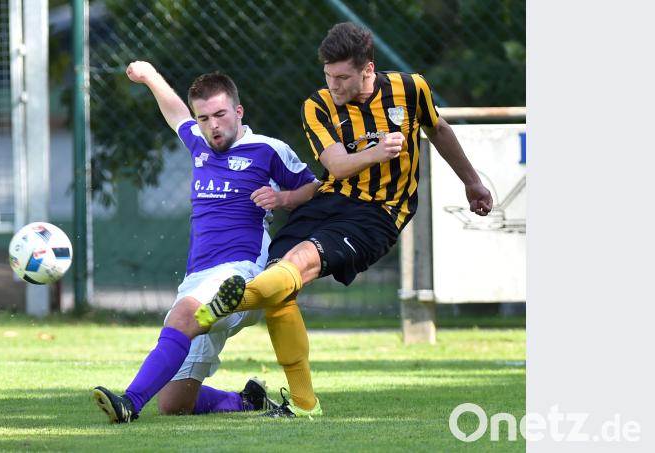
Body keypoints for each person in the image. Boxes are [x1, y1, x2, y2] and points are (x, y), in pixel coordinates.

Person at [194, 22, 494, 417]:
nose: (333, 84)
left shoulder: (411, 88)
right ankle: (304, 404)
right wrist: (378, 151)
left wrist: (472, 182)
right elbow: (335, 164)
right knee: (280, 288)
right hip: (328, 199)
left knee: (295, 264)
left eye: (342, 77)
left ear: (367, 70)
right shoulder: (316, 105)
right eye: (327, 75)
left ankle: (216, 308)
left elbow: (437, 129)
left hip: (379, 213)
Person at [92, 61, 320, 424]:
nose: (213, 125)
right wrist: (151, 77)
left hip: (242, 273)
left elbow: (312, 185)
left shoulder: (267, 150)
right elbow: (176, 114)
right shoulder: (198, 142)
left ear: (238, 111)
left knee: (184, 314)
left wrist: (284, 200)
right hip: (199, 277)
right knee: (174, 402)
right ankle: (247, 401)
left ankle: (129, 403)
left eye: (220, 114)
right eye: (204, 118)